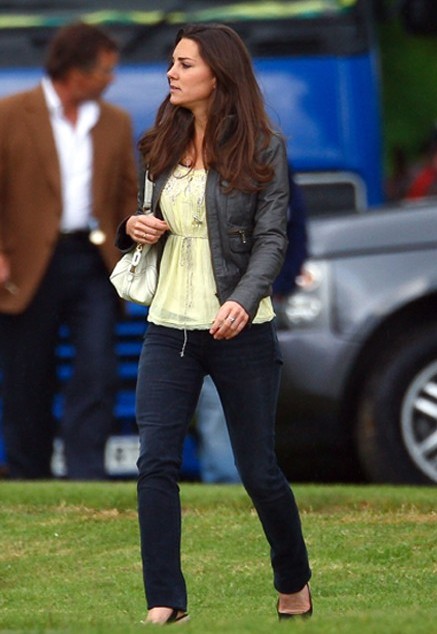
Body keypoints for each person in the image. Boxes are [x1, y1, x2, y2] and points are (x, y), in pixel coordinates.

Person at [116, 23, 312, 624]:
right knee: (156, 463)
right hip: (168, 325)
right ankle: (165, 600)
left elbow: (273, 238)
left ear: (218, 74)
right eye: (172, 63)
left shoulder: (264, 148)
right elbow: (150, 218)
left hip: (240, 328)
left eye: (184, 64)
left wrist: (244, 301)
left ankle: (294, 580)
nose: (171, 73)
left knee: (258, 471)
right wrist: (134, 227)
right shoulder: (159, 142)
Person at [0, 22, 138, 480]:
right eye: (105, 71)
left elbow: (126, 193)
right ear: (75, 72)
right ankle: (28, 475)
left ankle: (87, 475)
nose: (111, 80)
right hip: (27, 264)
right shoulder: (11, 113)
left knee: (98, 367)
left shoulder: (115, 121)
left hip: (93, 262)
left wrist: (131, 250)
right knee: (27, 376)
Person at [195, 167, 308, 484]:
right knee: (222, 393)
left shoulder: (265, 163)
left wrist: (279, 286)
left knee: (242, 395)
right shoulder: (258, 162)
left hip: (257, 300)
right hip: (219, 297)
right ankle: (230, 480)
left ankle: (239, 479)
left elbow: (292, 230)